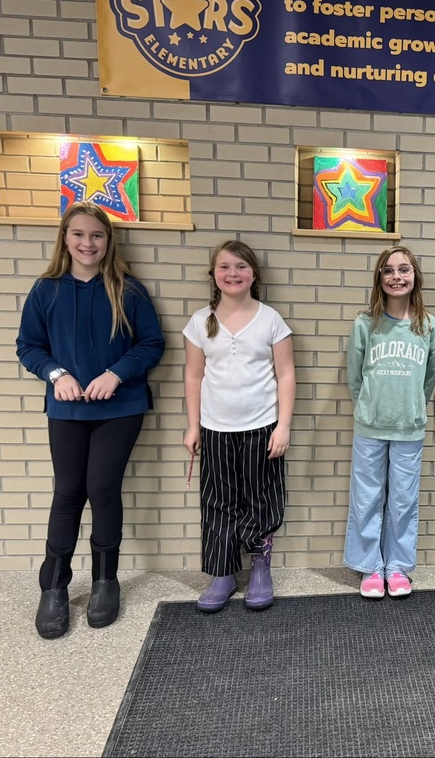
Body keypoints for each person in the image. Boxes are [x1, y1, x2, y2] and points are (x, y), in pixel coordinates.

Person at [16, 201, 165, 639]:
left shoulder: (128, 289)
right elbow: (28, 346)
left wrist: (116, 373)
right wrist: (55, 374)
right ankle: (54, 587)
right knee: (68, 491)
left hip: (119, 407)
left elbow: (152, 344)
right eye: (79, 235)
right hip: (67, 408)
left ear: (108, 241)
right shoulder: (46, 290)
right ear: (66, 239)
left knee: (102, 489)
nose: (88, 243)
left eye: (96, 236)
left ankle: (105, 580)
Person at [183, 240, 295, 613]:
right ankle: (222, 573)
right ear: (214, 275)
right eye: (225, 267)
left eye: (241, 267)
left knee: (261, 498)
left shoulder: (270, 320)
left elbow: (286, 374)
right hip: (215, 429)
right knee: (218, 501)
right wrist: (193, 426)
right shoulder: (200, 321)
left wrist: (283, 426)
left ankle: (260, 566)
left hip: (262, 427)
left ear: (254, 274)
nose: (233, 274)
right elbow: (193, 375)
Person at [344, 246, 435, 599]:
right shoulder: (365, 324)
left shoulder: (429, 326)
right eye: (388, 271)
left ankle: (397, 566)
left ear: (415, 276)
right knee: (367, 498)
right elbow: (355, 378)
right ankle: (371, 566)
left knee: (403, 500)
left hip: (409, 427)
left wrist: (411, 407)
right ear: (379, 278)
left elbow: (429, 380)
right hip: (370, 426)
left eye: (404, 270)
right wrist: (369, 407)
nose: (396, 277)